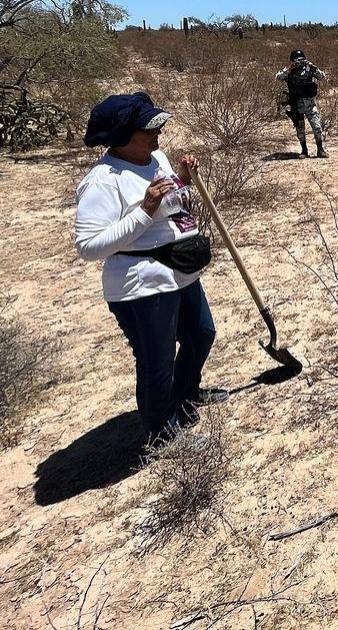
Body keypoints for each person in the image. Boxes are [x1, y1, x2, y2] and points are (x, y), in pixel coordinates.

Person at [74, 92, 228, 443]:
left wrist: (183, 180)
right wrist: (143, 211)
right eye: (148, 129)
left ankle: (186, 393)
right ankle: (161, 430)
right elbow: (88, 246)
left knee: (201, 334)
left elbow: (171, 203)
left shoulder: (156, 157)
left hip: (179, 269)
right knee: (156, 359)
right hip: (141, 282)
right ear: (121, 136)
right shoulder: (103, 180)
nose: (157, 133)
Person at [276, 49, 328, 158]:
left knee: (317, 127)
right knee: (300, 129)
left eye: (301, 60)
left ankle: (320, 150)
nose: (299, 63)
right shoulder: (289, 71)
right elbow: (278, 77)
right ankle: (304, 151)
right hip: (296, 104)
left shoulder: (309, 69)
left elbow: (323, 77)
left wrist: (314, 68)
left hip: (310, 104)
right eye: (297, 61)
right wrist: (289, 68)